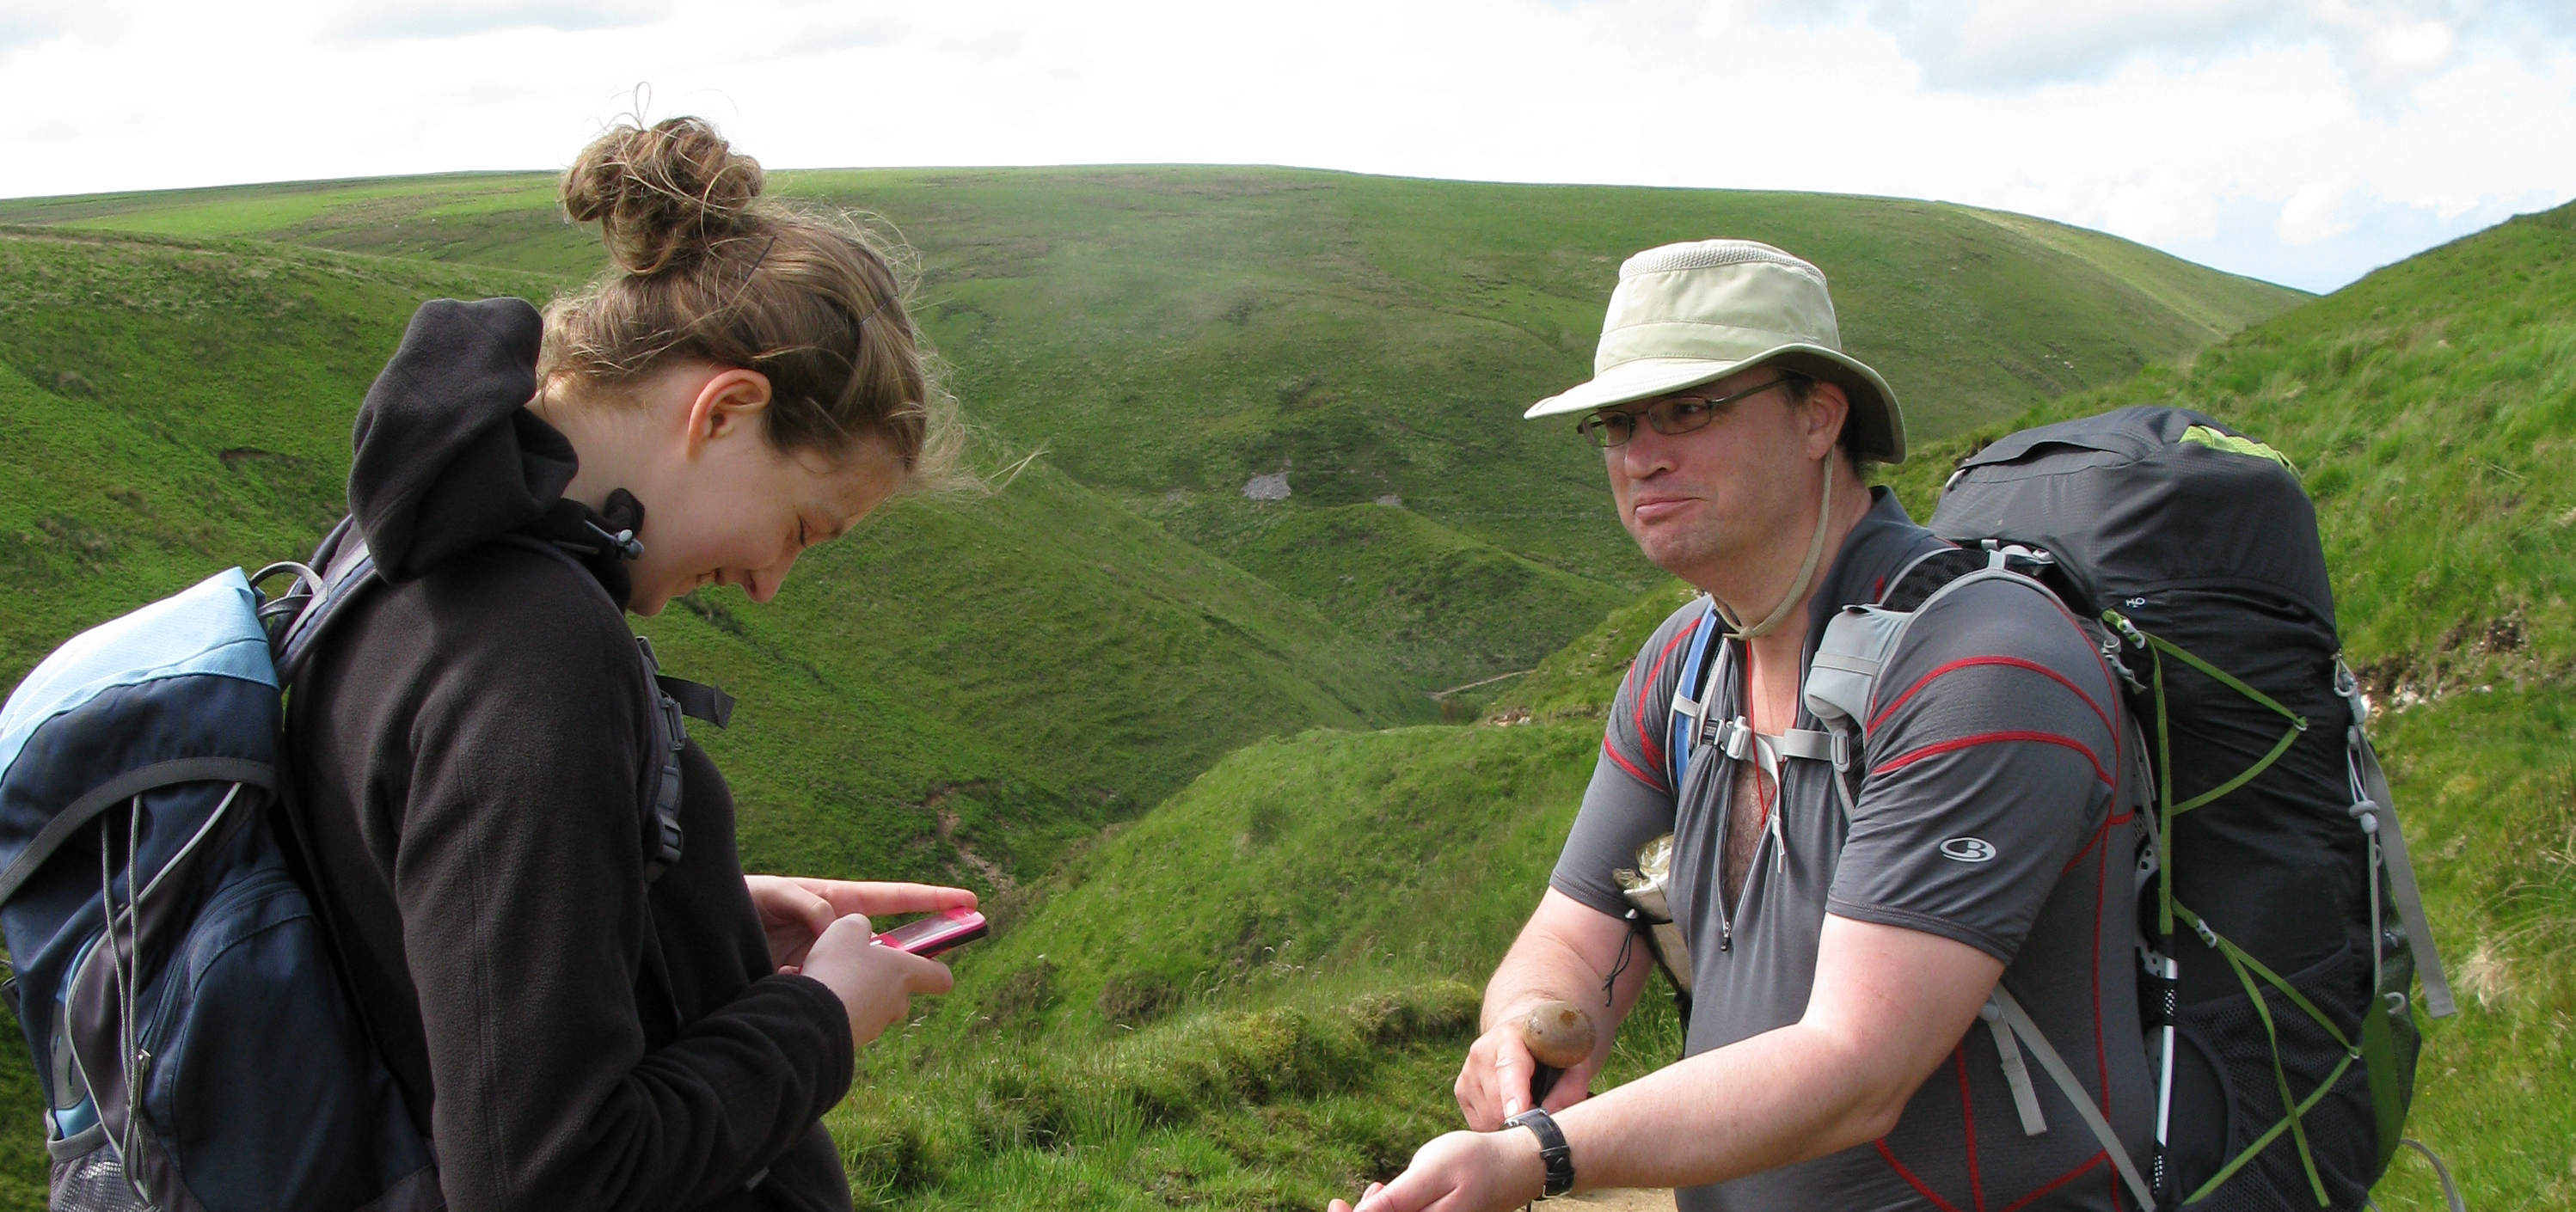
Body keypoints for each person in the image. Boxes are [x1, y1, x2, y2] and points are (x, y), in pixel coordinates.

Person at [1333, 241, 2150, 1212]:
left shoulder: (1983, 669)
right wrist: (1524, 1027)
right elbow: (1578, 930)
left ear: (1818, 417)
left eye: (1689, 410)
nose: (1642, 455)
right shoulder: (1684, 665)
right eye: (1616, 424)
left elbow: (1857, 1068)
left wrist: (1538, 1155)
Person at [286, 117, 974, 1211]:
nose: (768, 583)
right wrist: (819, 1021)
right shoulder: (531, 654)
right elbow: (546, 1179)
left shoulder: (397, 561)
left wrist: (680, 912)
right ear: (726, 410)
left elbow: (435, 934)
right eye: (801, 527)